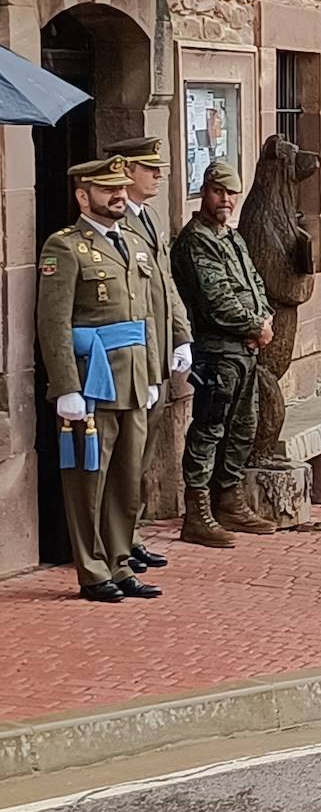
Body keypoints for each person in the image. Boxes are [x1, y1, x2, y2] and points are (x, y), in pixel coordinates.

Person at [37, 156, 161, 601]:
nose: (118, 196)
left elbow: (145, 314)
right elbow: (53, 322)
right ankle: (92, 571)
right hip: (92, 380)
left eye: (121, 188)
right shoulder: (65, 247)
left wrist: (151, 371)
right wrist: (66, 385)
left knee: (128, 479)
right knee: (89, 480)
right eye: (108, 189)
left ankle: (121, 561)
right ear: (82, 195)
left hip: (132, 377)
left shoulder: (133, 241)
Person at [170, 162, 279, 547]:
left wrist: (263, 322)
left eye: (232, 194)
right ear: (205, 192)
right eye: (219, 193)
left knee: (243, 426)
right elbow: (217, 301)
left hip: (245, 350)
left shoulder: (230, 238)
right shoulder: (196, 240)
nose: (226, 201)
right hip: (218, 351)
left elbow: (255, 285)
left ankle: (228, 499)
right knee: (209, 427)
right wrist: (254, 326)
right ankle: (197, 511)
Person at [104, 136, 192, 573]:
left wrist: (181, 335)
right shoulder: (117, 223)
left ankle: (131, 532)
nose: (158, 174)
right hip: (130, 352)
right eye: (149, 167)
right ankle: (116, 539)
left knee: (143, 452)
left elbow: (165, 283)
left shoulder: (150, 218)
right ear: (124, 170)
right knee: (124, 456)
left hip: (156, 350)